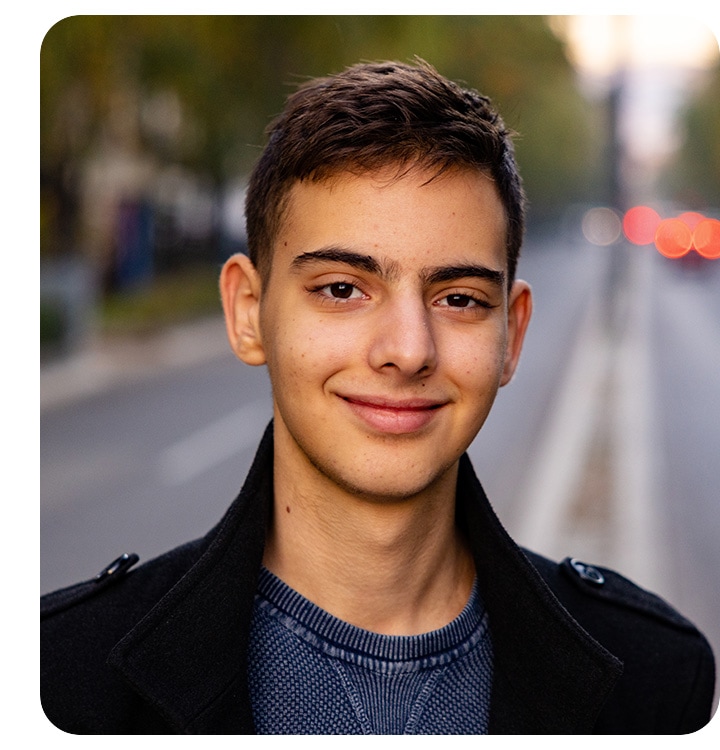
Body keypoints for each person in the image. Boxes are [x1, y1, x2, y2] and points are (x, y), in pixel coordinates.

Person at [41, 59, 715, 735]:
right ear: (248, 311)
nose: (407, 349)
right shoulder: (56, 679)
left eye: (458, 299)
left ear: (512, 332)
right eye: (342, 289)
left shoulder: (659, 682)